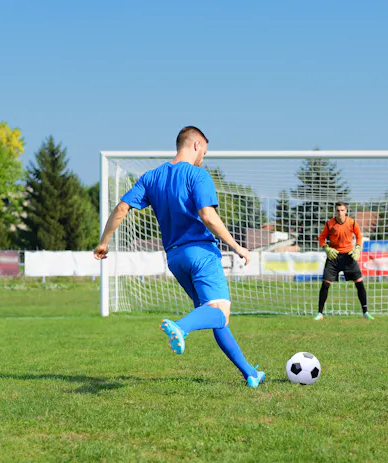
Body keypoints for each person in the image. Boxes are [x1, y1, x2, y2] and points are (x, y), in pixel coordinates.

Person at [93, 126, 265, 388]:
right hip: (201, 253)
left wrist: (104, 242)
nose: (203, 158)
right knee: (220, 314)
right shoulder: (198, 175)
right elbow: (207, 215)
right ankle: (181, 327)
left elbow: (121, 207)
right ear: (196, 145)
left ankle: (250, 373)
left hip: (175, 258)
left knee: (212, 314)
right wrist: (236, 246)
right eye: (204, 152)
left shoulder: (151, 177)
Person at [314, 202, 373, 320]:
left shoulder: (352, 222)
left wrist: (358, 248)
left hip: (349, 256)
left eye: (342, 210)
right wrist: (326, 248)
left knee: (359, 283)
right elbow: (321, 238)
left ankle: (365, 312)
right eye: (338, 210)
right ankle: (320, 313)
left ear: (346, 211)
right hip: (333, 257)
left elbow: (359, 236)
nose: (340, 212)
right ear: (335, 212)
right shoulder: (329, 224)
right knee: (325, 284)